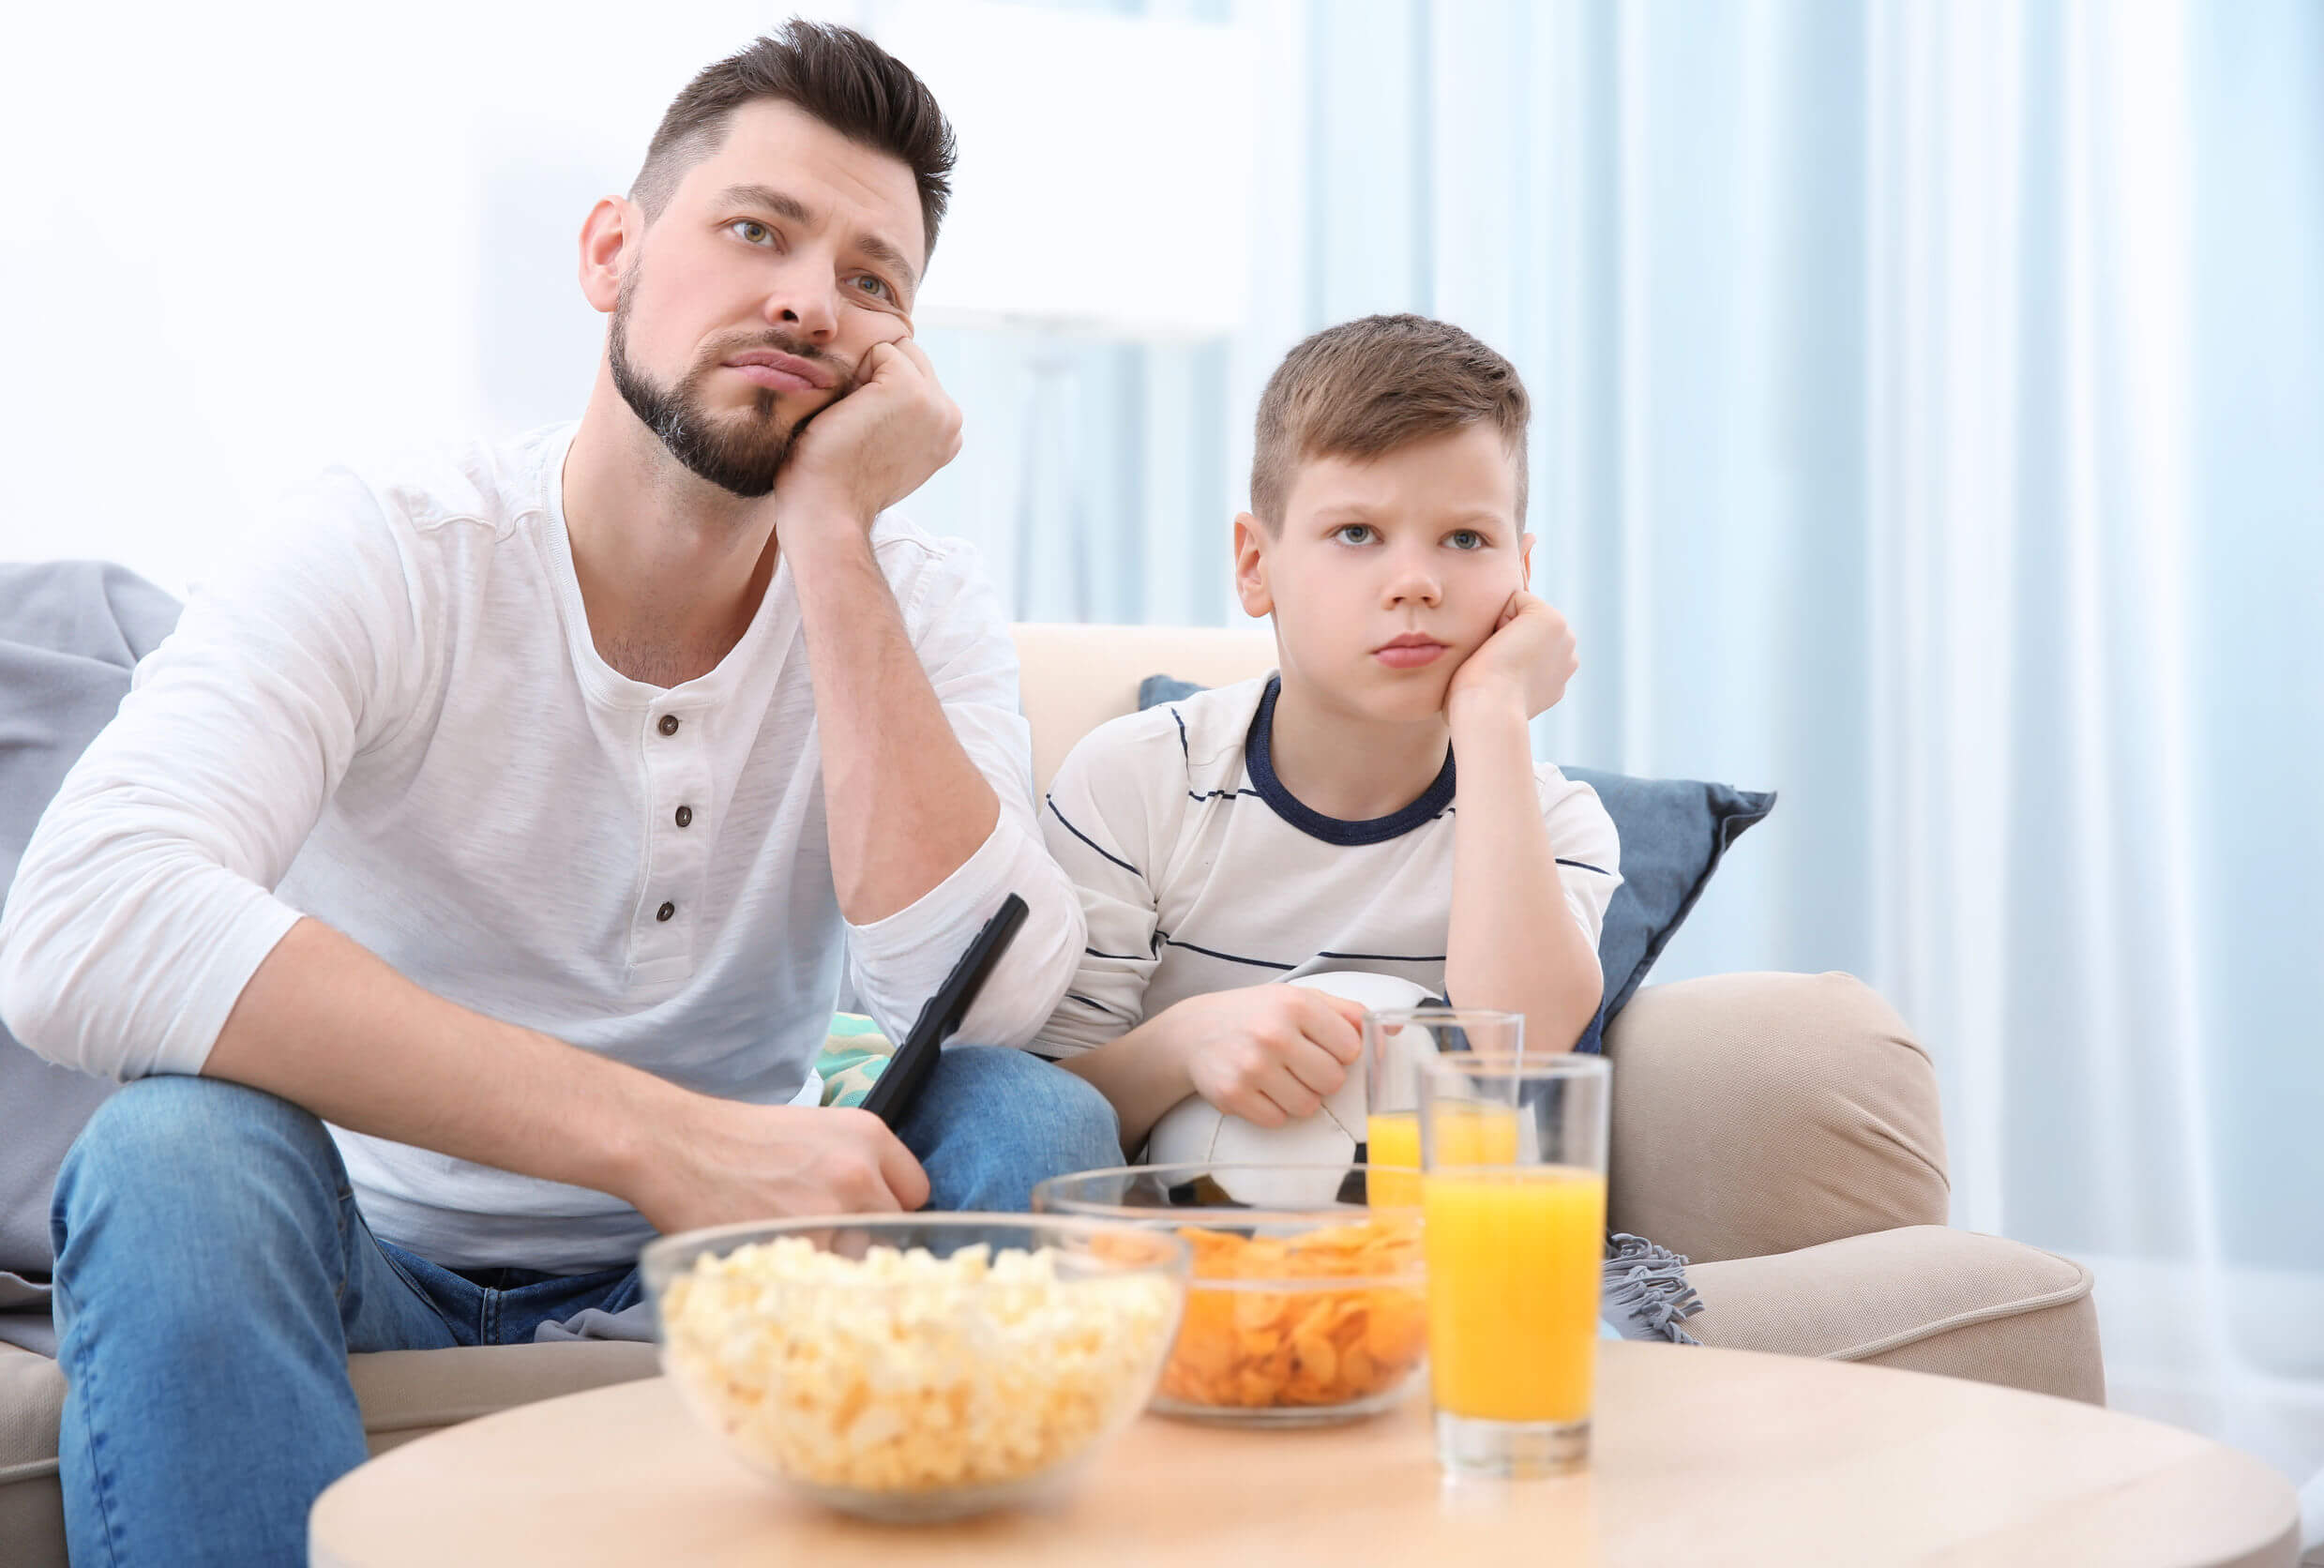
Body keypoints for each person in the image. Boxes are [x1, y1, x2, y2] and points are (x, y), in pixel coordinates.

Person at [0, 22, 1114, 1566]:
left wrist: (836, 541)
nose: (808, 294)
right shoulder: (391, 543)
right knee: (170, 1153)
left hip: (738, 1270)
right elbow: (82, 919)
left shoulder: (912, 592)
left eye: (873, 282)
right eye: (755, 232)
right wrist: (661, 1141)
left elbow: (978, 1002)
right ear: (611, 253)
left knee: (1028, 1116)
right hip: (368, 1249)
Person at [1033, 314, 1618, 1146]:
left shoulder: (1556, 822)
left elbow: (1514, 1053)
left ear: (1521, 575)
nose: (1415, 582)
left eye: (1465, 538)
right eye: (1356, 534)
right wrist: (1183, 1043)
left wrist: (1492, 714)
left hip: (1443, 1257)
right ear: (1254, 563)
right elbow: (1042, 1112)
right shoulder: (1137, 781)